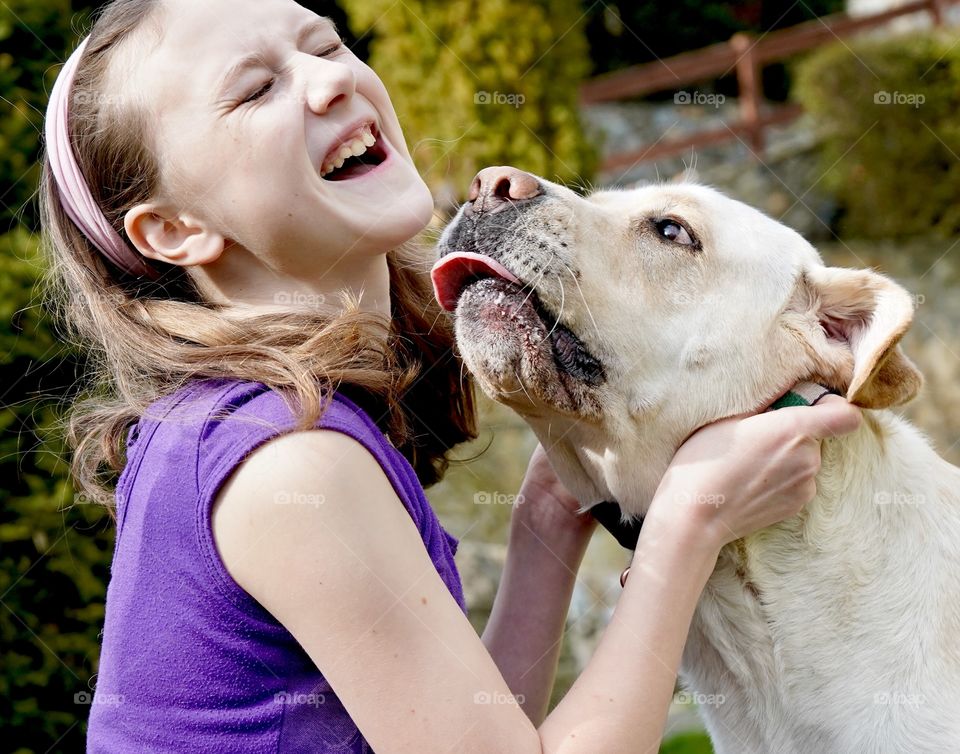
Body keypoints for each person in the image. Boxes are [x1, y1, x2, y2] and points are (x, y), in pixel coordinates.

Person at [39, 0, 863, 751]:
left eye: (326, 42)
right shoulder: (286, 461)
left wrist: (545, 523)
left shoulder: (262, 421)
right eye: (255, 90)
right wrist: (689, 526)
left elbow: (465, 725)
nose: (330, 80)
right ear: (175, 230)